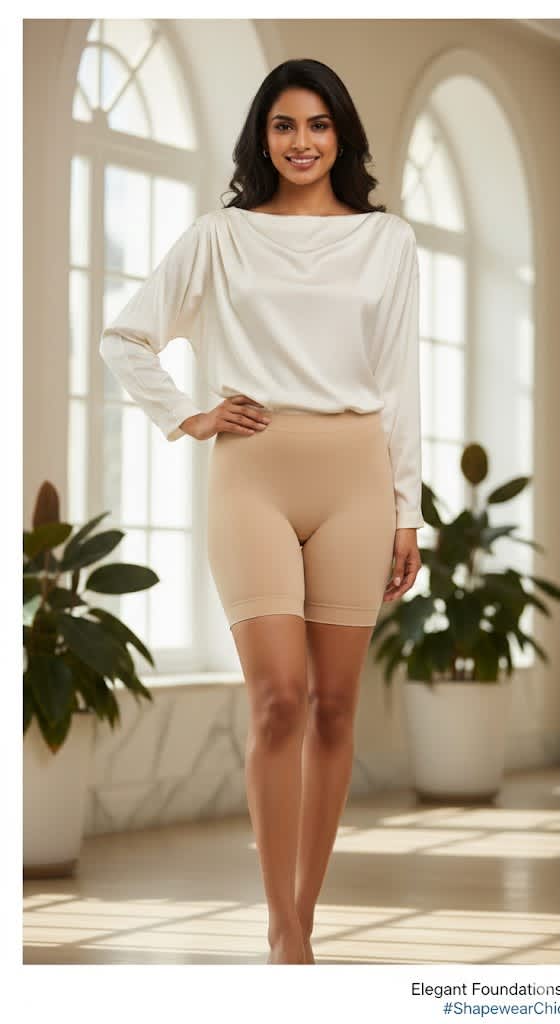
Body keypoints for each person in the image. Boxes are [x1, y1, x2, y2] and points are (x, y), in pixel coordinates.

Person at [100, 57, 424, 966]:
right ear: (262, 136)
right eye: (284, 125)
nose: (301, 142)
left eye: (317, 124)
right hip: (252, 472)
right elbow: (126, 335)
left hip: (357, 474)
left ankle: (303, 917)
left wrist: (407, 512)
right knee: (279, 699)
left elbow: (400, 379)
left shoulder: (386, 241)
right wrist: (188, 415)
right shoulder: (220, 236)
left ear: (340, 135)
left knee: (335, 706)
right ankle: (280, 926)